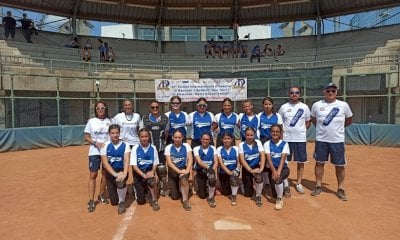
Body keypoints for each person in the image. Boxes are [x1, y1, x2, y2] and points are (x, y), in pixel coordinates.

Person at [310, 83, 353, 201]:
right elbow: (314, 120)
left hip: (337, 141)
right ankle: (318, 186)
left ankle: (341, 189)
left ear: (336, 92)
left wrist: (337, 130)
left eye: (333, 91)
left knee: (340, 165)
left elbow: (348, 120)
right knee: (319, 163)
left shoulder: (343, 105)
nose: (330, 93)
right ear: (324, 92)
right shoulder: (317, 105)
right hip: (321, 140)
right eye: (328, 91)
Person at [278, 87, 311, 196]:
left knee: (300, 162)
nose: (294, 94)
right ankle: (285, 183)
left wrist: (301, 131)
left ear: (299, 94)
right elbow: (280, 123)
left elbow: (308, 121)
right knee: (284, 162)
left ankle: (299, 183)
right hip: (286, 139)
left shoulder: (304, 107)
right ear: (289, 94)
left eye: (296, 93)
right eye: (292, 93)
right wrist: (282, 136)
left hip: (300, 139)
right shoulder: (283, 107)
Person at [84, 101, 112, 212]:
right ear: (96, 110)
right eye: (98, 108)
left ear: (106, 109)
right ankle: (91, 200)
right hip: (94, 151)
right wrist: (95, 143)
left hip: (106, 152)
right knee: (93, 174)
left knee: (105, 174)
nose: (100, 110)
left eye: (102, 108)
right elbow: (86, 136)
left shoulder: (110, 121)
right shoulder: (91, 121)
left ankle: (101, 195)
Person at [139, 100, 169, 197]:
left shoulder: (165, 118)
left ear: (159, 108)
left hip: (161, 148)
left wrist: (162, 143)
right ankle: (148, 187)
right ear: (150, 108)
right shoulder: (145, 118)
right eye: (153, 107)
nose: (155, 109)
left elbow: (167, 133)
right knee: (149, 167)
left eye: (157, 107)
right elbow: (141, 132)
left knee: (161, 168)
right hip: (149, 149)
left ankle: (162, 187)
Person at [100, 124, 130, 214]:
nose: (115, 135)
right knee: (113, 202)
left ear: (119, 133)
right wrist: (115, 174)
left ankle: (122, 202)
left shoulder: (125, 145)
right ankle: (123, 191)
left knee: (120, 183)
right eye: (113, 133)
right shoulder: (105, 146)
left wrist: (124, 174)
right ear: (109, 134)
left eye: (117, 133)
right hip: (111, 172)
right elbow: (105, 163)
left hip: (121, 170)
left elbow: (126, 160)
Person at [257, 97, 283, 196]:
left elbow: (281, 130)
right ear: (263, 105)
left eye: (269, 104)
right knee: (264, 161)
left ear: (272, 105)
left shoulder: (277, 116)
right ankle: (266, 183)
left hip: (274, 141)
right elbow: (257, 129)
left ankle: (281, 181)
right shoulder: (259, 115)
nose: (267, 106)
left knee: (274, 160)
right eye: (265, 104)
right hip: (263, 141)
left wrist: (280, 142)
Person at [131, 128, 161, 211]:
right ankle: (136, 186)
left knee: (152, 181)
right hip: (139, 173)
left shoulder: (153, 148)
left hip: (148, 171)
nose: (144, 138)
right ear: (139, 137)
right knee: (141, 202)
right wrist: (143, 175)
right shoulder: (135, 148)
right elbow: (134, 166)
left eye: (146, 136)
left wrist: (153, 172)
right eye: (142, 136)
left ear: (149, 137)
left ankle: (154, 200)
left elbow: (155, 163)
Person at [164, 129, 193, 211]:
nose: (177, 139)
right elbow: (169, 163)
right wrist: (179, 171)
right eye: (175, 137)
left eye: (179, 137)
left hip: (183, 169)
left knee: (183, 179)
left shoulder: (186, 146)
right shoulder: (168, 147)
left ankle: (185, 200)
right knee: (175, 197)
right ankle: (180, 188)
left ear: (183, 137)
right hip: (173, 172)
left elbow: (190, 159)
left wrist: (187, 171)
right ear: (172, 137)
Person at [264, 124, 290, 210]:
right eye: (273, 131)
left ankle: (279, 200)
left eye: (277, 132)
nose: (275, 133)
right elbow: (269, 159)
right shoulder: (267, 143)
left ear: (280, 133)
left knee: (278, 179)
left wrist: (278, 172)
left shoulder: (284, 144)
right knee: (274, 194)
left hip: (283, 168)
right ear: (270, 132)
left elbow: (283, 158)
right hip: (272, 169)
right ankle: (282, 185)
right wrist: (274, 172)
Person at [238, 127, 265, 207]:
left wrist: (261, 169)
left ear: (254, 135)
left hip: (256, 166)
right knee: (248, 194)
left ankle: (258, 195)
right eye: (247, 135)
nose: (249, 137)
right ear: (245, 135)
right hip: (247, 168)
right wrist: (250, 170)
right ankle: (242, 184)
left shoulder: (258, 142)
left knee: (259, 177)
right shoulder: (241, 144)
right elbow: (242, 159)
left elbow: (263, 156)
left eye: (251, 135)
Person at [193, 133, 218, 208]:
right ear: (201, 139)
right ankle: (205, 186)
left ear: (210, 140)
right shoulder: (196, 148)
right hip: (201, 171)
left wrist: (212, 170)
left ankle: (211, 197)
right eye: (203, 139)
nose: (205, 141)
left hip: (210, 169)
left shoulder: (213, 148)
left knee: (212, 179)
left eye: (207, 139)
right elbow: (199, 162)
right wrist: (208, 168)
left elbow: (216, 162)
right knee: (202, 196)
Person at [216, 132, 240, 206]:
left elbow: (239, 161)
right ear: (222, 140)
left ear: (232, 139)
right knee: (226, 192)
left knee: (233, 179)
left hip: (234, 171)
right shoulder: (219, 149)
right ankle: (221, 185)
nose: (226, 140)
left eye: (228, 139)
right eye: (225, 139)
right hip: (224, 172)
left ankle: (234, 196)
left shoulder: (236, 148)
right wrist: (229, 172)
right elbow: (221, 163)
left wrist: (237, 169)